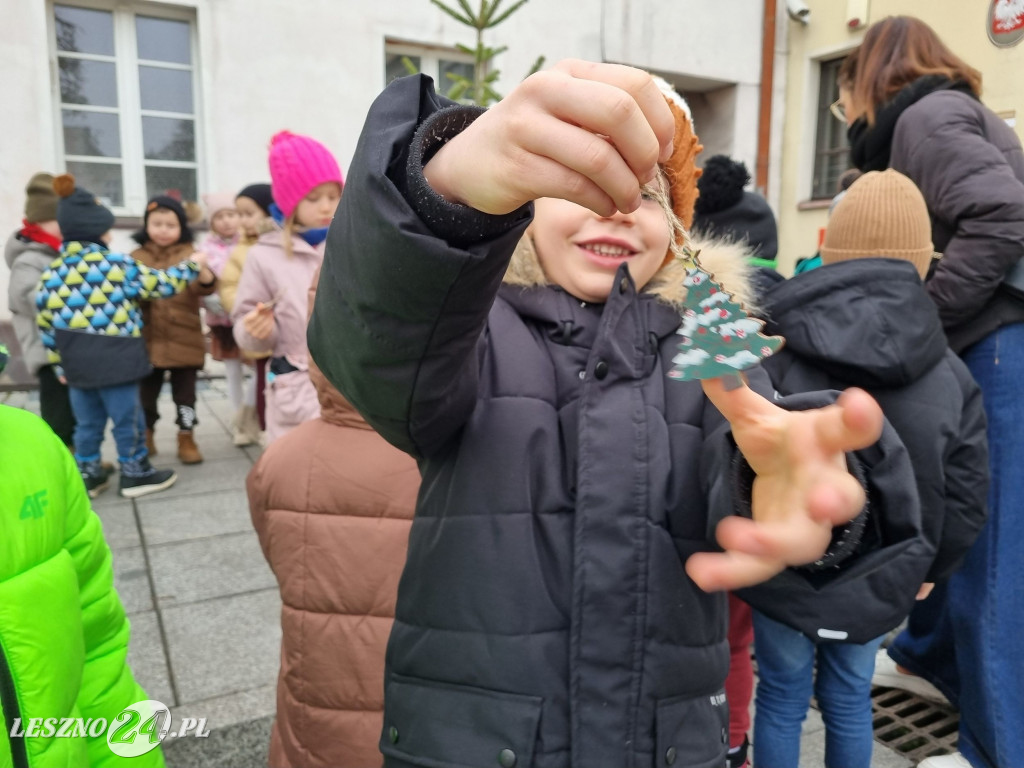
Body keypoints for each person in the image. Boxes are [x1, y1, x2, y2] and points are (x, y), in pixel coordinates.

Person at [307, 62, 919, 768]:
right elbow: (377, 338)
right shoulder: (466, 331)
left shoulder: (711, 354)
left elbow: (756, 448)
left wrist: (796, 500)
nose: (618, 206)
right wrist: (440, 195)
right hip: (475, 743)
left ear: (680, 228)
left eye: (649, 191)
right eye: (583, 183)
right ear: (524, 201)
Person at [748, 170, 989, 768]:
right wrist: (934, 565)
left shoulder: (776, 343)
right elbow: (967, 488)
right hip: (888, 569)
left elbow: (736, 446)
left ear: (827, 246)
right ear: (925, 263)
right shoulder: (950, 372)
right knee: (851, 698)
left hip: (782, 561)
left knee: (780, 695)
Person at [838, 17, 1024, 768]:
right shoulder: (942, 115)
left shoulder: (925, 116)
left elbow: (1004, 215)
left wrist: (925, 317)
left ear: (866, 77)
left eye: (843, 89)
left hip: (1003, 344)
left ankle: (998, 750)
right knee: (966, 521)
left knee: (997, 553)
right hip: (995, 343)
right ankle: (927, 659)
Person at [247, 268, 419, 768]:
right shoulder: (464, 457)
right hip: (428, 719)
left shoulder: (282, 459)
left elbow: (276, 553)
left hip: (317, 718)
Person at [0, 345, 166, 767]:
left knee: (91, 420)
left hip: (81, 361)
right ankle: (129, 465)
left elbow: (96, 644)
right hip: (109, 357)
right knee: (119, 416)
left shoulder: (29, 442)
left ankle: (92, 466)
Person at [691, 154, 781, 768]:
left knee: (723, 639)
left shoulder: (700, 330)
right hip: (743, 516)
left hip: (716, 526)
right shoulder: (752, 326)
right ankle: (734, 742)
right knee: (738, 646)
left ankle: (730, 739)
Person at [36, 175, 204, 498]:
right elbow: (161, 285)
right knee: (128, 418)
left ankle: (89, 473)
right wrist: (192, 266)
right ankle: (134, 470)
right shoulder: (116, 265)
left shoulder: (51, 274)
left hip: (77, 363)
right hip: (118, 359)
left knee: (87, 423)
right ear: (99, 230)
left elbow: (46, 326)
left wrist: (59, 367)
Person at [233, 132, 343, 443]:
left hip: (349, 382)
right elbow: (245, 327)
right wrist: (256, 329)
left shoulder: (349, 242)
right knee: (295, 470)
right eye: (313, 198)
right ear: (289, 201)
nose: (326, 206)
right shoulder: (263, 255)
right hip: (295, 383)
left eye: (334, 196)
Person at [131, 196, 217, 465]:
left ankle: (186, 435)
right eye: (157, 224)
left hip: (185, 339)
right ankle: (146, 434)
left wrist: (203, 271)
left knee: (186, 395)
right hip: (147, 343)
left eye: (171, 224)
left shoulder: (190, 254)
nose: (163, 230)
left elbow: (207, 287)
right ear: (146, 225)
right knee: (145, 395)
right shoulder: (135, 258)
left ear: (182, 227)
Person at [4, 172, 75, 446]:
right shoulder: (30, 258)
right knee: (59, 414)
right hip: (46, 352)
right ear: (40, 221)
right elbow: (24, 296)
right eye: (60, 220)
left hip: (64, 349)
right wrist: (69, 297)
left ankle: (79, 461)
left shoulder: (57, 252)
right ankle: (60, 460)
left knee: (75, 411)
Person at [220, 183, 275, 446]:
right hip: (259, 324)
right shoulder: (241, 250)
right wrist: (249, 308)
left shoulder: (282, 243)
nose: (242, 220)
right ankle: (262, 427)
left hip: (288, 328)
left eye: (248, 213)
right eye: (239, 214)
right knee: (263, 382)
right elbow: (230, 286)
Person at [198, 191, 246, 430]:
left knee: (256, 368)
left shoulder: (248, 243)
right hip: (222, 322)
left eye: (232, 214)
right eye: (220, 216)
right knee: (233, 370)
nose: (227, 221)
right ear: (212, 222)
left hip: (247, 317)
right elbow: (200, 282)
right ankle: (238, 416)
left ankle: (252, 411)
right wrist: (207, 300)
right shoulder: (205, 250)